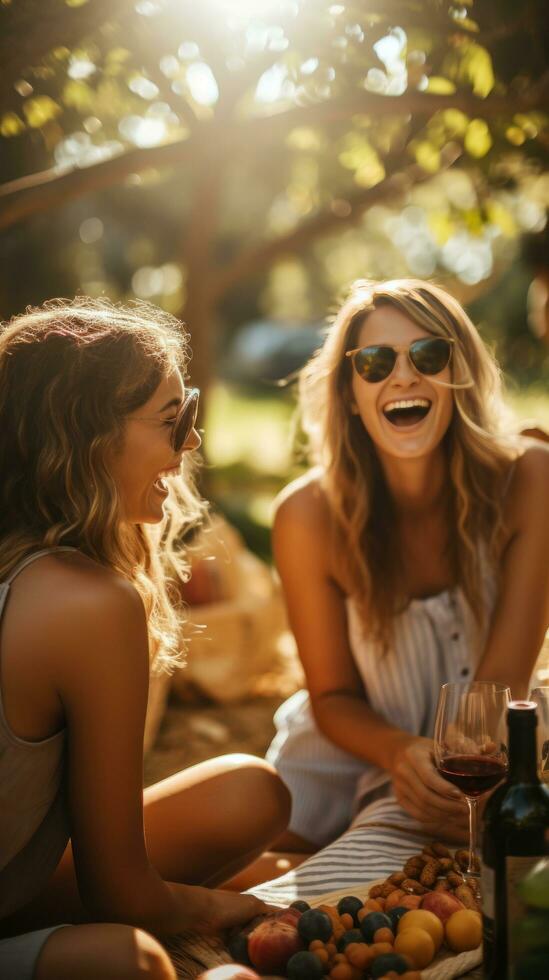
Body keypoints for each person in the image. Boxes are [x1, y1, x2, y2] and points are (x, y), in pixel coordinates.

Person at [0, 298, 290, 980]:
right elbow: (119, 892)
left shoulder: (37, 573)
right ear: (86, 438)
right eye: (173, 421)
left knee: (252, 793)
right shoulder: (88, 605)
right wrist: (215, 907)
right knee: (130, 961)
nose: (190, 443)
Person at [260, 278, 549, 878]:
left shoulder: (531, 480)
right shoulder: (306, 516)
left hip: (488, 732)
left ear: (458, 373)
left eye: (429, 355)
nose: (404, 376)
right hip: (355, 745)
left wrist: (450, 774)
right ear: (348, 393)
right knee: (285, 870)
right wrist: (399, 754)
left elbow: (498, 688)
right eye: (374, 362)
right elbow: (333, 697)